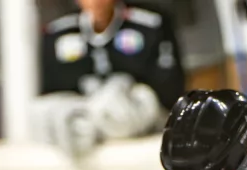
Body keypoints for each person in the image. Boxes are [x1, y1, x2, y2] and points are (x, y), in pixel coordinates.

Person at [34, 0, 185, 156]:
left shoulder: (151, 24)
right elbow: (51, 93)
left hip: (137, 127)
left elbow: (167, 92)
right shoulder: (57, 33)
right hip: (78, 126)